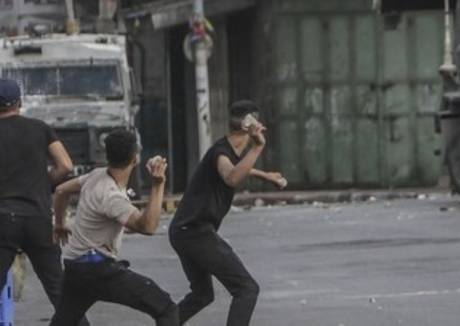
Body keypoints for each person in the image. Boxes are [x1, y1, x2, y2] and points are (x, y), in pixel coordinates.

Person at [0, 78, 85, 326]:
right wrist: (42, 184)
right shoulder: (40, 128)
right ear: (20, 102)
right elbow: (65, 165)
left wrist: (0, 193)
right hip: (37, 218)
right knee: (58, 288)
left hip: (1, 219)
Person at [169, 100, 287, 325]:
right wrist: (257, 147)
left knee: (202, 295)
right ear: (249, 124)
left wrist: (266, 176)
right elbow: (231, 176)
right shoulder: (221, 152)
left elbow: (240, 168)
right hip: (195, 232)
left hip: (183, 231)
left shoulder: (227, 151)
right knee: (246, 289)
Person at [49, 130, 177, 326]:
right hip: (97, 269)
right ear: (135, 158)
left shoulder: (95, 175)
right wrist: (158, 184)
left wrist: (59, 224)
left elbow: (60, 190)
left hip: (75, 267)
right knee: (166, 308)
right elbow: (148, 226)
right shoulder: (111, 196)